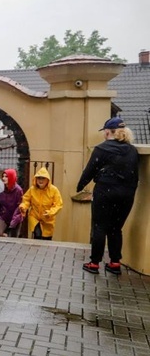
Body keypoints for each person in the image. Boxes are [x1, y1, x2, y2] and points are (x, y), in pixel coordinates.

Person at [77, 117, 139, 275]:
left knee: (100, 227)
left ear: (107, 132)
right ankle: (115, 262)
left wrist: (80, 185)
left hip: (106, 191)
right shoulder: (132, 150)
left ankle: (94, 263)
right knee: (116, 228)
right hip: (127, 193)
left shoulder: (102, 149)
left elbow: (89, 170)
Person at [19, 167, 62, 240]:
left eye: (43, 178)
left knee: (47, 239)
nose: (40, 180)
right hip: (34, 217)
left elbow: (58, 204)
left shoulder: (54, 190)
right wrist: (23, 206)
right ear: (36, 179)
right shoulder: (32, 189)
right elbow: (26, 200)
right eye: (39, 178)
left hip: (48, 220)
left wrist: (50, 212)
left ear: (47, 180)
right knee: (37, 235)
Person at [0, 169, 24, 237]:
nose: (3, 178)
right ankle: (6, 236)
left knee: (13, 238)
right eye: (3, 176)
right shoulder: (0, 189)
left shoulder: (18, 190)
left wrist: (14, 221)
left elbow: (19, 206)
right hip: (4, 216)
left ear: (11, 177)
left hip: (15, 217)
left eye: (6, 176)